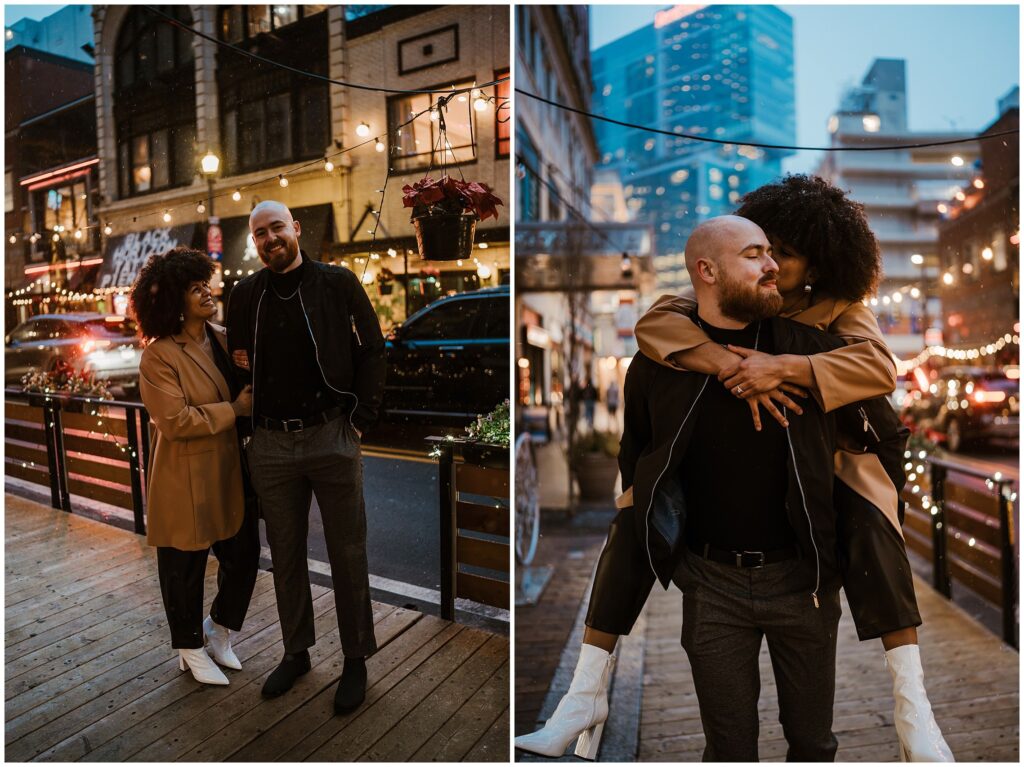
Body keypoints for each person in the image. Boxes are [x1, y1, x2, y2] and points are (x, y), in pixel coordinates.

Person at [517, 188, 951, 759]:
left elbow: (878, 368)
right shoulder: (680, 329)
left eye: (782, 254)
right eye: (760, 251)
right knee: (633, 512)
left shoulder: (835, 314)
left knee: (815, 735)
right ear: (711, 270)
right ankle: (584, 692)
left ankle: (912, 704)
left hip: (805, 570)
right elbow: (656, 330)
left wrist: (783, 368)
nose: (773, 263)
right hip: (713, 580)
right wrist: (727, 362)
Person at [226, 200, 386, 715]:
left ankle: (356, 658)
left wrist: (360, 417)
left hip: (330, 435)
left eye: (277, 228)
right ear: (254, 243)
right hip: (271, 444)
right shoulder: (245, 295)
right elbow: (238, 363)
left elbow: (374, 349)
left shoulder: (336, 283)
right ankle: (297, 652)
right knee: (285, 554)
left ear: (295, 229)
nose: (270, 238)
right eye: (260, 233)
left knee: (348, 551)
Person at [132, 246, 258, 686]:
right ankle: (188, 646)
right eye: (193, 288)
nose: (206, 291)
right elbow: (175, 420)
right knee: (183, 568)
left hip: (228, 471)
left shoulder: (223, 337)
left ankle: (218, 630)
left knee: (243, 554)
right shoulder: (158, 356)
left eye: (205, 282)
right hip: (184, 476)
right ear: (171, 301)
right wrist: (234, 410)